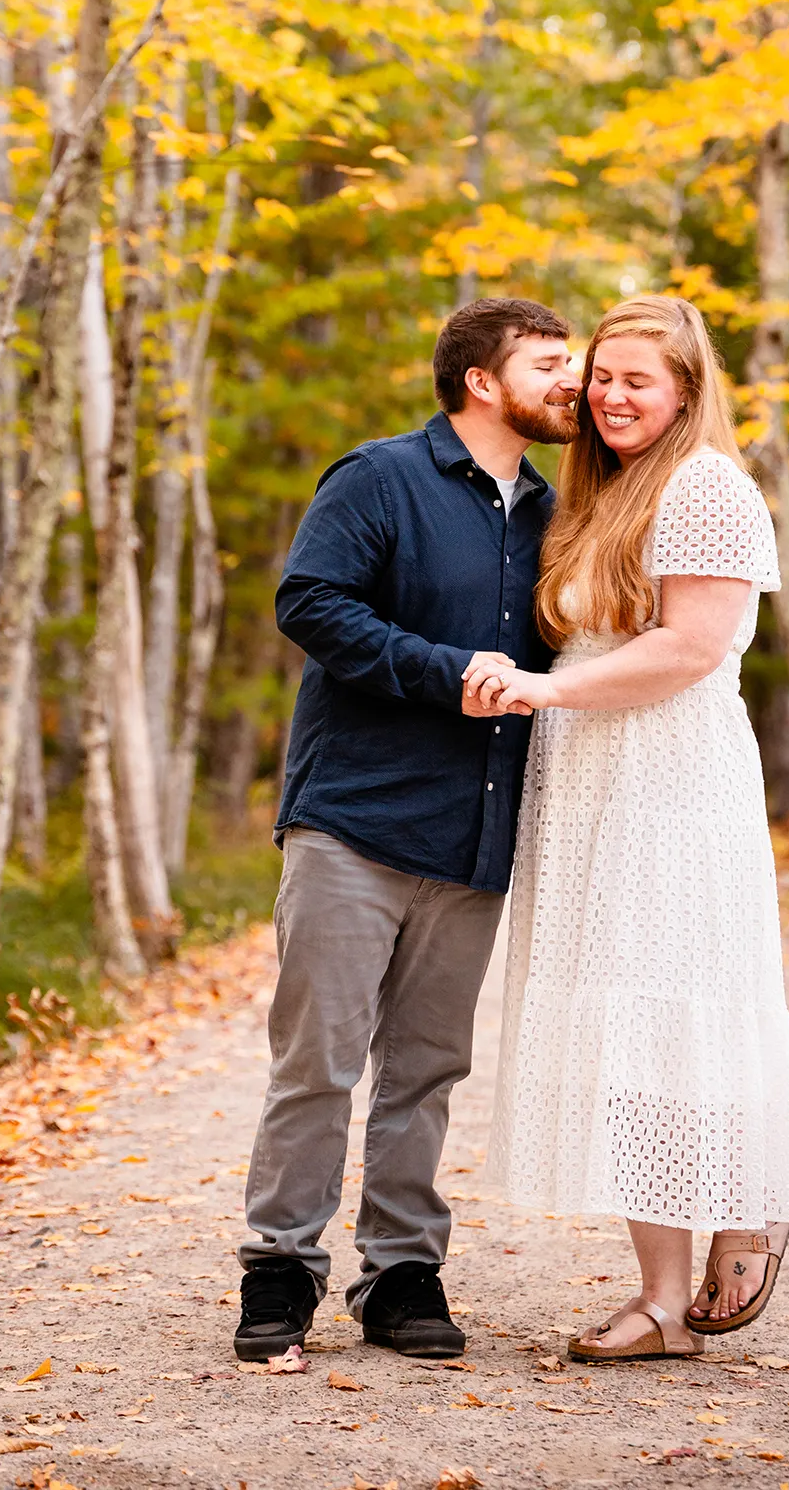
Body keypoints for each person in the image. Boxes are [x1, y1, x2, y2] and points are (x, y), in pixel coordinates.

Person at [234, 297, 582, 1362]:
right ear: (482, 379)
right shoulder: (378, 476)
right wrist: (447, 676)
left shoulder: (555, 514)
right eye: (549, 363)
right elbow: (310, 602)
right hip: (353, 818)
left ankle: (401, 1276)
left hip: (475, 831)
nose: (572, 381)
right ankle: (279, 1272)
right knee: (317, 1062)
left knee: (426, 1069)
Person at [465, 295, 789, 1363]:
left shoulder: (704, 485)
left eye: (634, 381)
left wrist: (535, 693)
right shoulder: (597, 493)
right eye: (598, 377)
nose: (608, 397)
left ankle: (742, 1210)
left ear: (685, 392)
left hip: (668, 782)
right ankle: (662, 1297)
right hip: (587, 784)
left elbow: (687, 650)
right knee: (621, 1032)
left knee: (675, 1011)